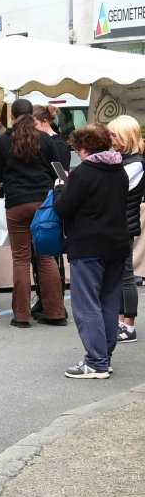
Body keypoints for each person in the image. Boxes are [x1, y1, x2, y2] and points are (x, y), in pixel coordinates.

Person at [54, 124, 129, 378]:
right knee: (108, 301)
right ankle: (104, 355)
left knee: (86, 303)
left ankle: (96, 361)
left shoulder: (84, 172)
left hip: (88, 244)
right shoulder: (119, 169)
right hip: (117, 243)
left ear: (84, 147)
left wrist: (60, 188)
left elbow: (63, 208)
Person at [0, 99, 64, 328]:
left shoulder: (2, 141)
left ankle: (22, 316)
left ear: (12, 116)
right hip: (43, 202)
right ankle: (55, 312)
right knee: (46, 256)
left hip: (16, 203)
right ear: (32, 114)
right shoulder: (45, 139)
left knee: (21, 259)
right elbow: (58, 171)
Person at [107, 115, 145, 345]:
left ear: (125, 136)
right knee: (119, 275)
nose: (110, 139)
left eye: (114, 135)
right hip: (118, 222)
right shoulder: (123, 160)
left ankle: (128, 325)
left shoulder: (135, 163)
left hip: (123, 224)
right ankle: (121, 321)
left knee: (126, 276)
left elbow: (115, 188)